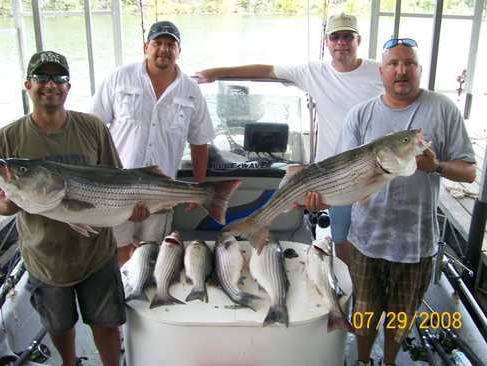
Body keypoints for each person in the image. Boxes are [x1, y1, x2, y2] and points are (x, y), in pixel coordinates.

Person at [196, 12, 383, 262]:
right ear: (327, 42)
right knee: (341, 237)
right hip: (332, 176)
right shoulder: (313, 72)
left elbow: (404, 97)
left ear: (358, 40)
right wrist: (216, 72)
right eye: (335, 37)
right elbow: (267, 71)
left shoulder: (380, 72)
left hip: (374, 167)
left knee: (376, 239)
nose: (341, 43)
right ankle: (349, 284)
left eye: (347, 37)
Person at [335, 39, 476, 366]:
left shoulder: (442, 109)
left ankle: (388, 362)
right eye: (393, 64)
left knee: (401, 317)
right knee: (366, 311)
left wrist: (437, 166)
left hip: (416, 242)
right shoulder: (361, 114)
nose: (402, 71)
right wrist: (317, 199)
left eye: (409, 63)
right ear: (381, 71)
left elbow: (469, 171)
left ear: (419, 70)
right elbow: (343, 172)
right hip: (366, 239)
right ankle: (363, 360)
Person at [0, 51, 131, 366]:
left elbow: (119, 178)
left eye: (58, 78)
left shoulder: (92, 127)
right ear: (27, 85)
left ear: (68, 87)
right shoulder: (7, 139)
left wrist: (134, 207)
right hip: (45, 256)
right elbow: (4, 203)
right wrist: (6, 204)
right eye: (41, 77)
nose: (50, 85)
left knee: (107, 322)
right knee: (58, 325)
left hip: (96, 252)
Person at [90, 20, 215, 266]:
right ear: (146, 46)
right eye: (158, 43)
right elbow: (93, 128)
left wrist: (198, 189)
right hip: (117, 188)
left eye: (171, 44)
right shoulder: (120, 77)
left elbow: (200, 142)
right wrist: (93, 176)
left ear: (179, 51)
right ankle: (120, 300)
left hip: (160, 191)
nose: (164, 49)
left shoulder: (191, 90)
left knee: (151, 257)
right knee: (116, 252)